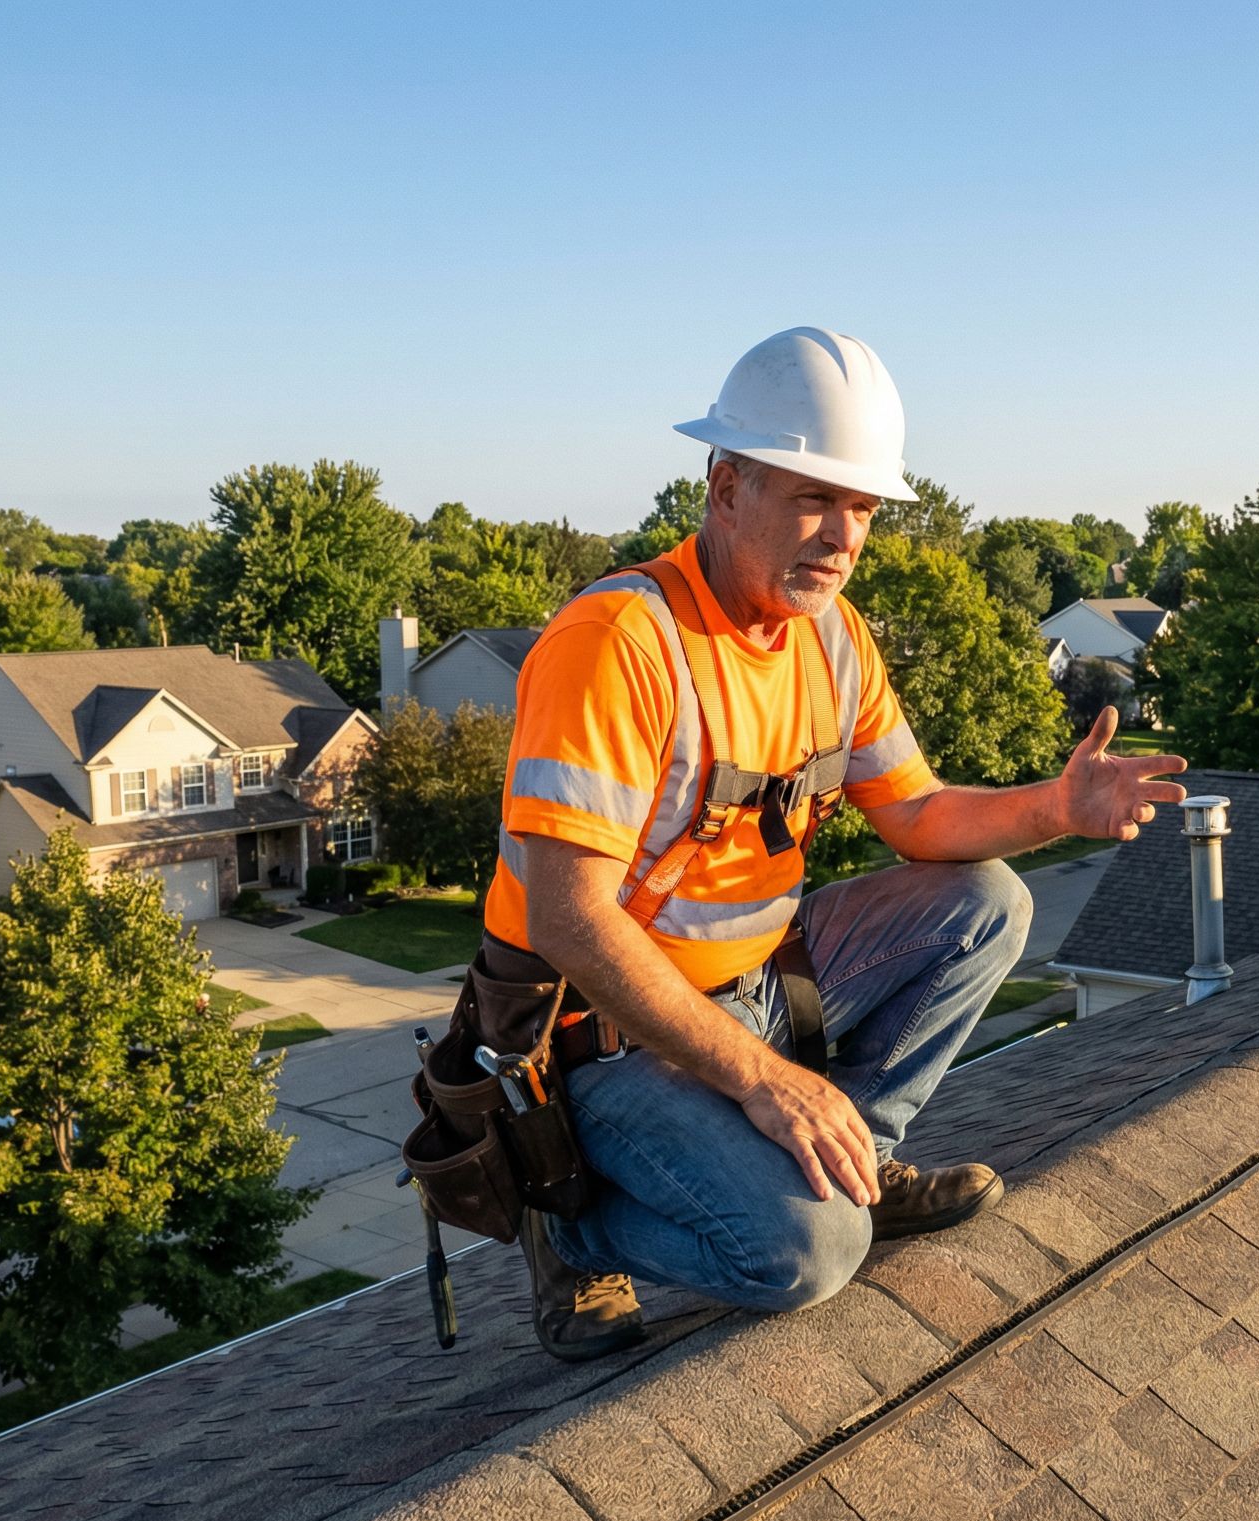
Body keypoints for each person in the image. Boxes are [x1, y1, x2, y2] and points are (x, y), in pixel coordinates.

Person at [485, 326, 1186, 1358]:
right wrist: (767, 1082)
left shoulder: (831, 638)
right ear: (725, 488)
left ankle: (859, 1161)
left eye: (859, 507)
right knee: (804, 1258)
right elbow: (567, 916)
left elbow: (918, 818)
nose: (840, 534)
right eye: (811, 496)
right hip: (604, 1038)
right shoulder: (617, 644)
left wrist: (1056, 809)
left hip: (759, 986)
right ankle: (573, 1228)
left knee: (987, 902)